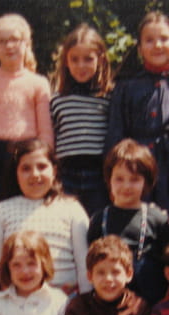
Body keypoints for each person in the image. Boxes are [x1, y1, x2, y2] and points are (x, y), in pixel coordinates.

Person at [105, 11, 169, 216]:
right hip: (136, 167)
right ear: (139, 48)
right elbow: (115, 133)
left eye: (164, 39)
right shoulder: (126, 86)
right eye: (149, 40)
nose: (157, 45)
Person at [0, 138, 90, 301]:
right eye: (26, 168)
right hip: (16, 304)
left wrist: (87, 304)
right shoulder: (1, 211)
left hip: (66, 304)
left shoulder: (72, 209)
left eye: (42, 167)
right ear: (16, 173)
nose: (35, 174)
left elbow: (85, 263)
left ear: (54, 171)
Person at [0, 13, 54, 208]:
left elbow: (46, 132)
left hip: (31, 154)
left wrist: (46, 164)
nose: (9, 46)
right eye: (2, 41)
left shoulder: (39, 84)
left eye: (15, 39)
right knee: (0, 211)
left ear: (27, 44)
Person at [87, 138, 169, 305]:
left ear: (146, 182)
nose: (126, 186)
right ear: (109, 180)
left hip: (150, 304)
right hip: (109, 304)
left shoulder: (157, 220)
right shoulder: (99, 220)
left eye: (134, 179)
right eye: (119, 179)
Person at [50, 24, 112, 215]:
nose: (81, 66)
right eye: (74, 59)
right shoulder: (58, 99)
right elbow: (53, 136)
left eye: (88, 59)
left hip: (98, 174)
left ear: (100, 59)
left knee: (97, 220)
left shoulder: (108, 96)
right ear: (66, 62)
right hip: (66, 174)